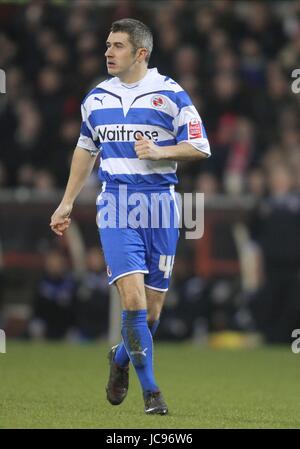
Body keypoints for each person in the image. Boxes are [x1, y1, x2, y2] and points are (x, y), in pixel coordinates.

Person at [50, 18, 210, 415]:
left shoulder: (170, 94)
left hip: (160, 208)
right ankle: (152, 393)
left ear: (141, 53)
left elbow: (200, 146)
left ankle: (120, 359)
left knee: (151, 313)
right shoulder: (97, 99)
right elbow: (86, 150)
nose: (108, 52)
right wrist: (67, 200)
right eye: (107, 44)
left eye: (118, 45)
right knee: (134, 302)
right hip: (117, 207)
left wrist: (161, 152)